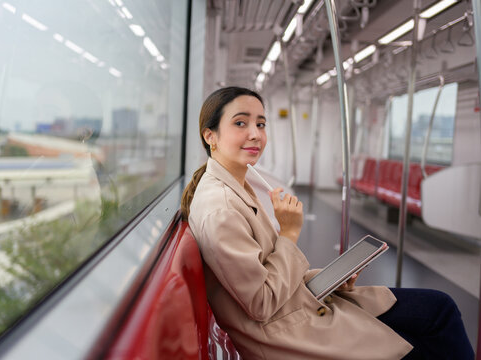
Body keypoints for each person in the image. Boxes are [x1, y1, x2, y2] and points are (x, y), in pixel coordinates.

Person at [181, 86, 474, 360]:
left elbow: (266, 273)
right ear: (210, 136)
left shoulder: (237, 186)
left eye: (261, 124)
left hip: (298, 306)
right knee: (429, 330)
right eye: (241, 123)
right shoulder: (220, 209)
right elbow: (261, 302)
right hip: (286, 332)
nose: (256, 134)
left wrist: (327, 277)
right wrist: (290, 233)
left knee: (439, 308)